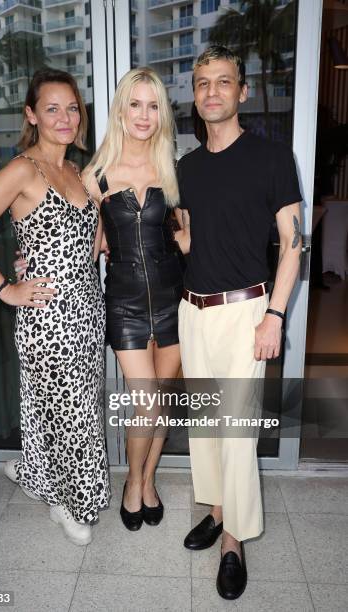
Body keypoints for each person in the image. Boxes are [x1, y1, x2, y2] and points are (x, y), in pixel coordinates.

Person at [0, 69, 110, 546]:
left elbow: (91, 238)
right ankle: (71, 503)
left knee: (60, 410)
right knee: (73, 415)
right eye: (52, 108)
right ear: (31, 115)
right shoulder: (24, 169)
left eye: (72, 107)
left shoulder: (81, 171)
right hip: (47, 319)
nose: (65, 117)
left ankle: (35, 471)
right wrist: (6, 289)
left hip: (88, 312)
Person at [174, 46, 302, 600]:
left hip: (247, 311)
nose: (212, 92)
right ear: (196, 96)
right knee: (206, 428)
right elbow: (189, 235)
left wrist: (274, 315)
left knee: (237, 432)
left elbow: (294, 246)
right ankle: (219, 509)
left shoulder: (273, 158)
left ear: (242, 92)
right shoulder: (187, 166)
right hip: (192, 312)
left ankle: (234, 541)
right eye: (203, 84)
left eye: (223, 82)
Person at [84, 67, 183, 530]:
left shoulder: (172, 167)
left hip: (173, 301)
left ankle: (146, 481)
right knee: (145, 401)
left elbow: (187, 237)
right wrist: (30, 263)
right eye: (135, 104)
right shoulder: (96, 176)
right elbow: (84, 244)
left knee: (161, 401)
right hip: (123, 304)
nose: (144, 115)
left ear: (161, 112)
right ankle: (130, 481)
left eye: (153, 105)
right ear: (121, 110)